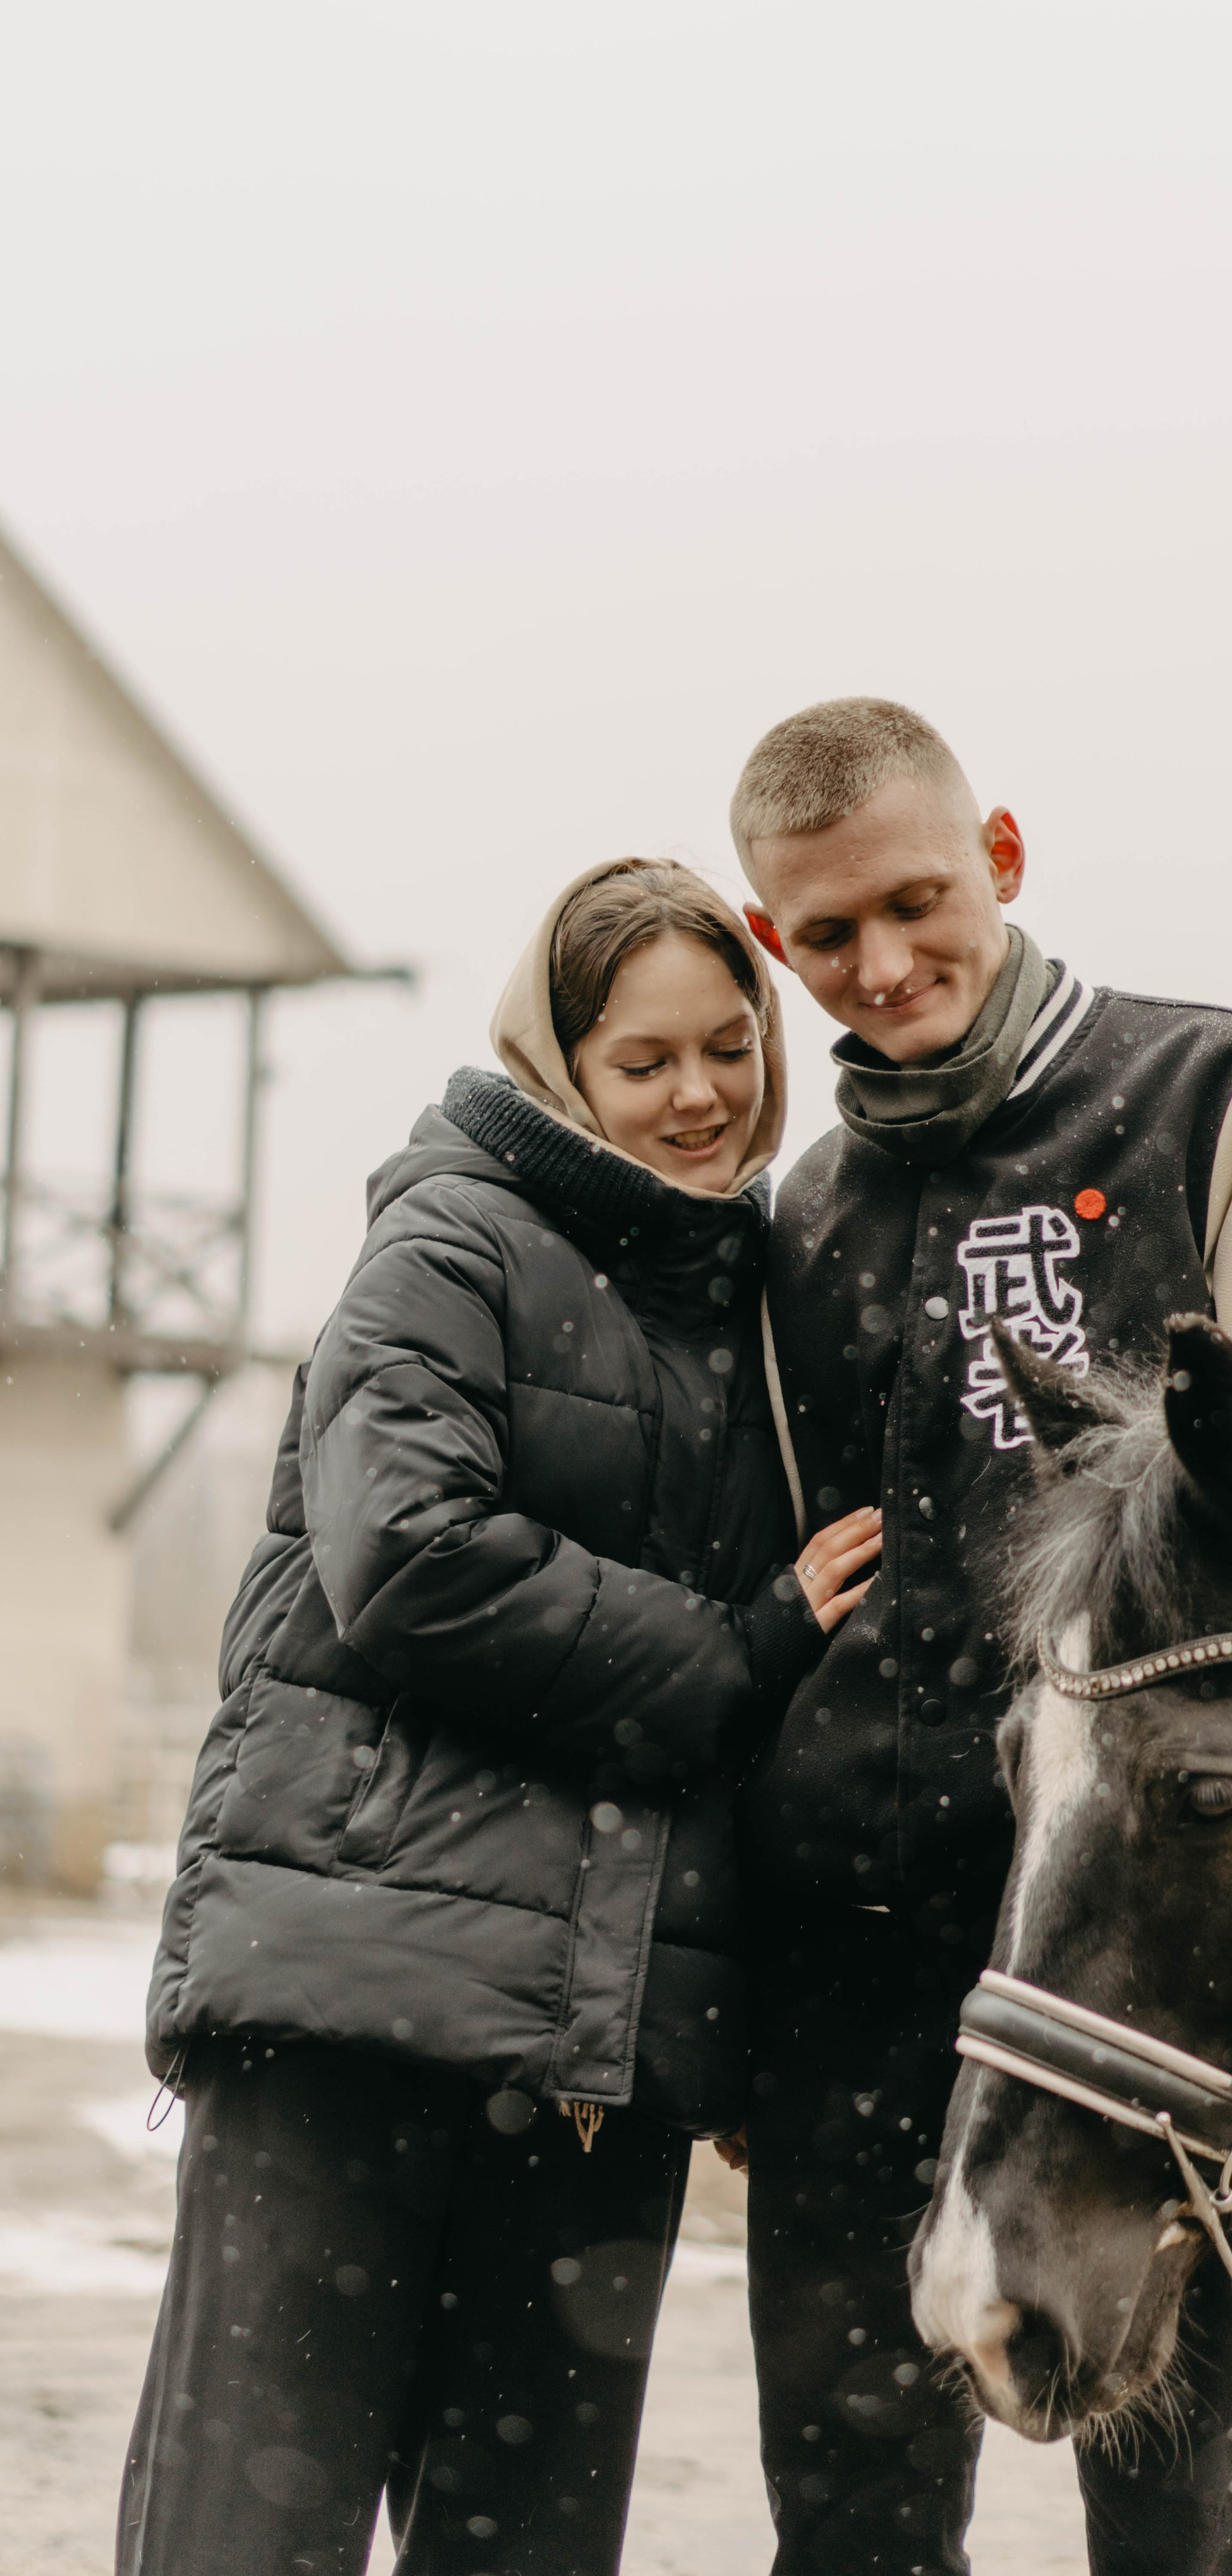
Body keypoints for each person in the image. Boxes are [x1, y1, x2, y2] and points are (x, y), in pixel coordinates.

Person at [117, 857, 880, 2576]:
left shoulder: (761, 1305)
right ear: (560, 1067)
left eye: (729, 1047)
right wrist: (735, 1646)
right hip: (347, 2018)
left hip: (595, 2063)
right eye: (643, 1060)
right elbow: (405, 1560)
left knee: (527, 2552)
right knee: (244, 2541)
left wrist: (743, 2018)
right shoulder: (450, 1239)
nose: (700, 1096)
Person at [731, 700, 1232, 2576]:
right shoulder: (807, 1211)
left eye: (914, 902)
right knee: (851, 2508)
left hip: (1133, 1976)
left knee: (1176, 2520)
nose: (880, 967)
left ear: (1004, 857)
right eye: (823, 940)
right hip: (853, 1958)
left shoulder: (1229, 1101)